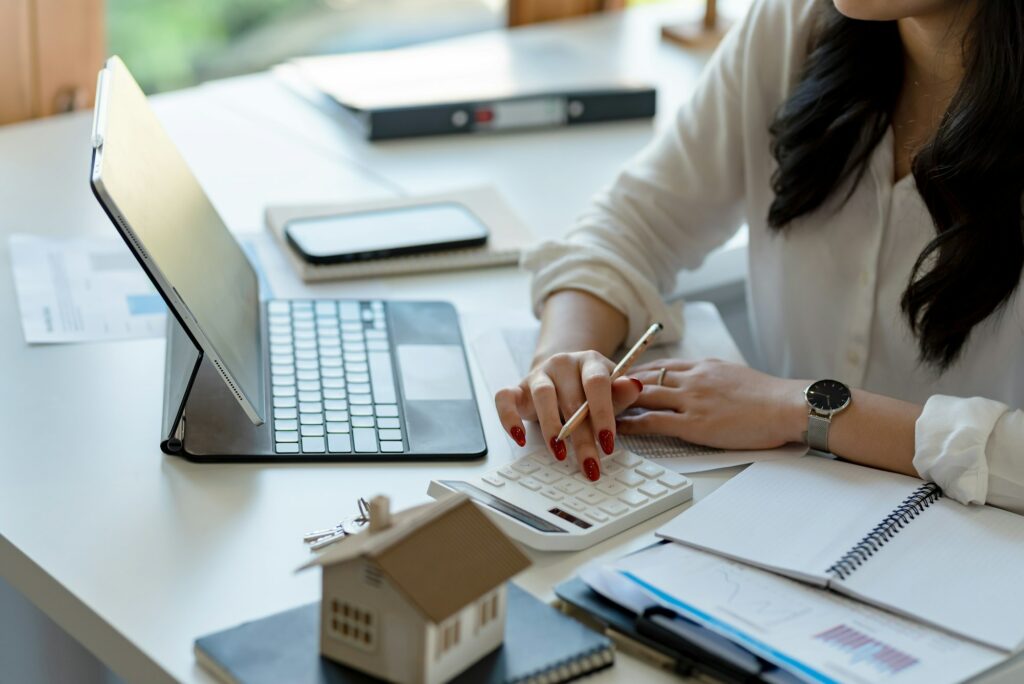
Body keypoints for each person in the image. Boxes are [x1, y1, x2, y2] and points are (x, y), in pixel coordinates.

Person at [494, 0, 1024, 513]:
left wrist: (801, 408)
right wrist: (564, 363)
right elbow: (633, 224)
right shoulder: (791, 25)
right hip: (771, 519)